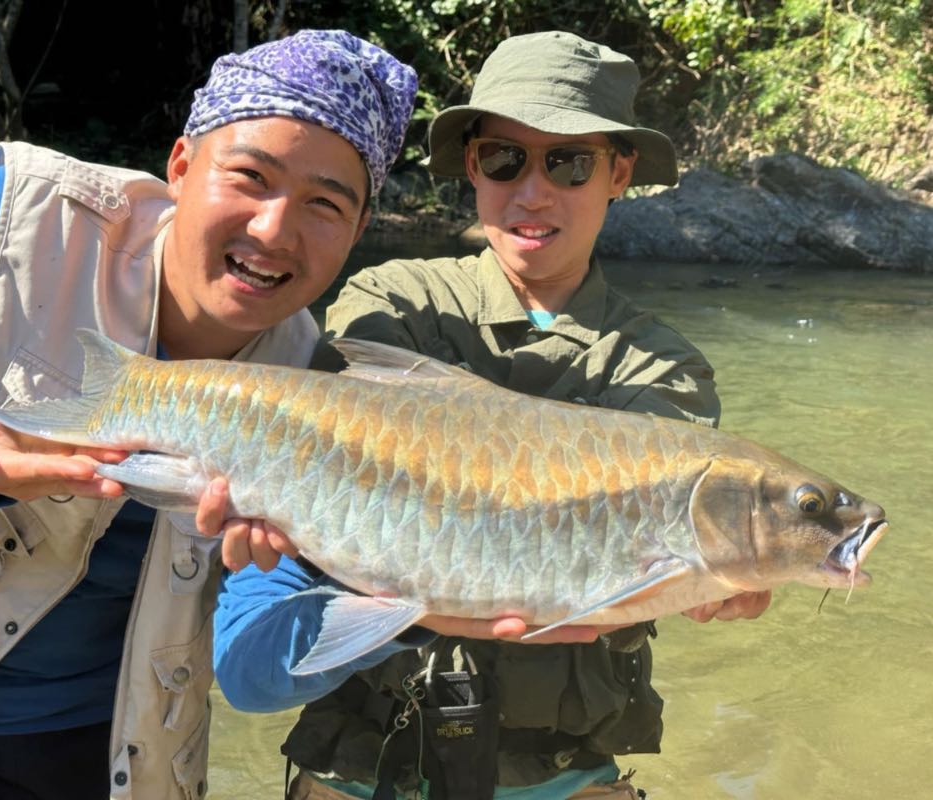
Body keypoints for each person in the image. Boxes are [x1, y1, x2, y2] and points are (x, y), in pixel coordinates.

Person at [211, 31, 771, 800]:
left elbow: (647, 551)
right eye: (507, 158)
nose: (533, 192)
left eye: (569, 162)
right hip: (364, 766)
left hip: (564, 777)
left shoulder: (661, 368)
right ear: (472, 164)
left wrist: (715, 573)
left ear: (620, 172)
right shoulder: (391, 305)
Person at [0, 29, 418, 800]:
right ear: (182, 165)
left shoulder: (319, 389)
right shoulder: (12, 226)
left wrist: (416, 599)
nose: (272, 229)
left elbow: (250, 674)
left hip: (102, 748)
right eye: (251, 176)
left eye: (325, 204)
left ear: (358, 233)